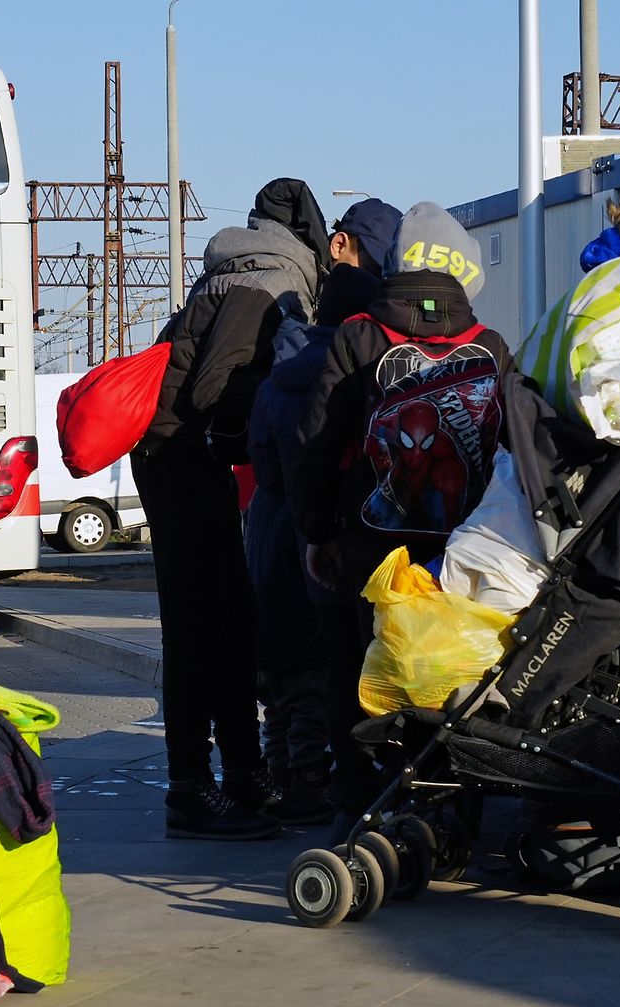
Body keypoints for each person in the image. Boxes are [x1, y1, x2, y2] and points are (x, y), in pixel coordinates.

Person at [292, 202, 511, 830]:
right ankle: (452, 805)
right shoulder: (489, 346)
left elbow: (318, 446)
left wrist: (315, 533)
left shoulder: (358, 337)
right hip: (464, 552)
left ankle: (362, 806)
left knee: (357, 672)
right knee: (455, 672)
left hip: (370, 548)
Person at [135, 178, 330, 840]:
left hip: (184, 460)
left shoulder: (239, 271)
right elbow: (214, 386)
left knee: (235, 625)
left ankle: (244, 775)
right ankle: (189, 790)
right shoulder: (262, 285)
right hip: (178, 460)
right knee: (198, 632)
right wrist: (276, 422)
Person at [247, 218, 394, 826]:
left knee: (280, 675)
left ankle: (281, 773)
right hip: (322, 535)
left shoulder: (278, 378)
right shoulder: (358, 375)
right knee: (323, 670)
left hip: (267, 529)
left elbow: (257, 457)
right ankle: (311, 783)